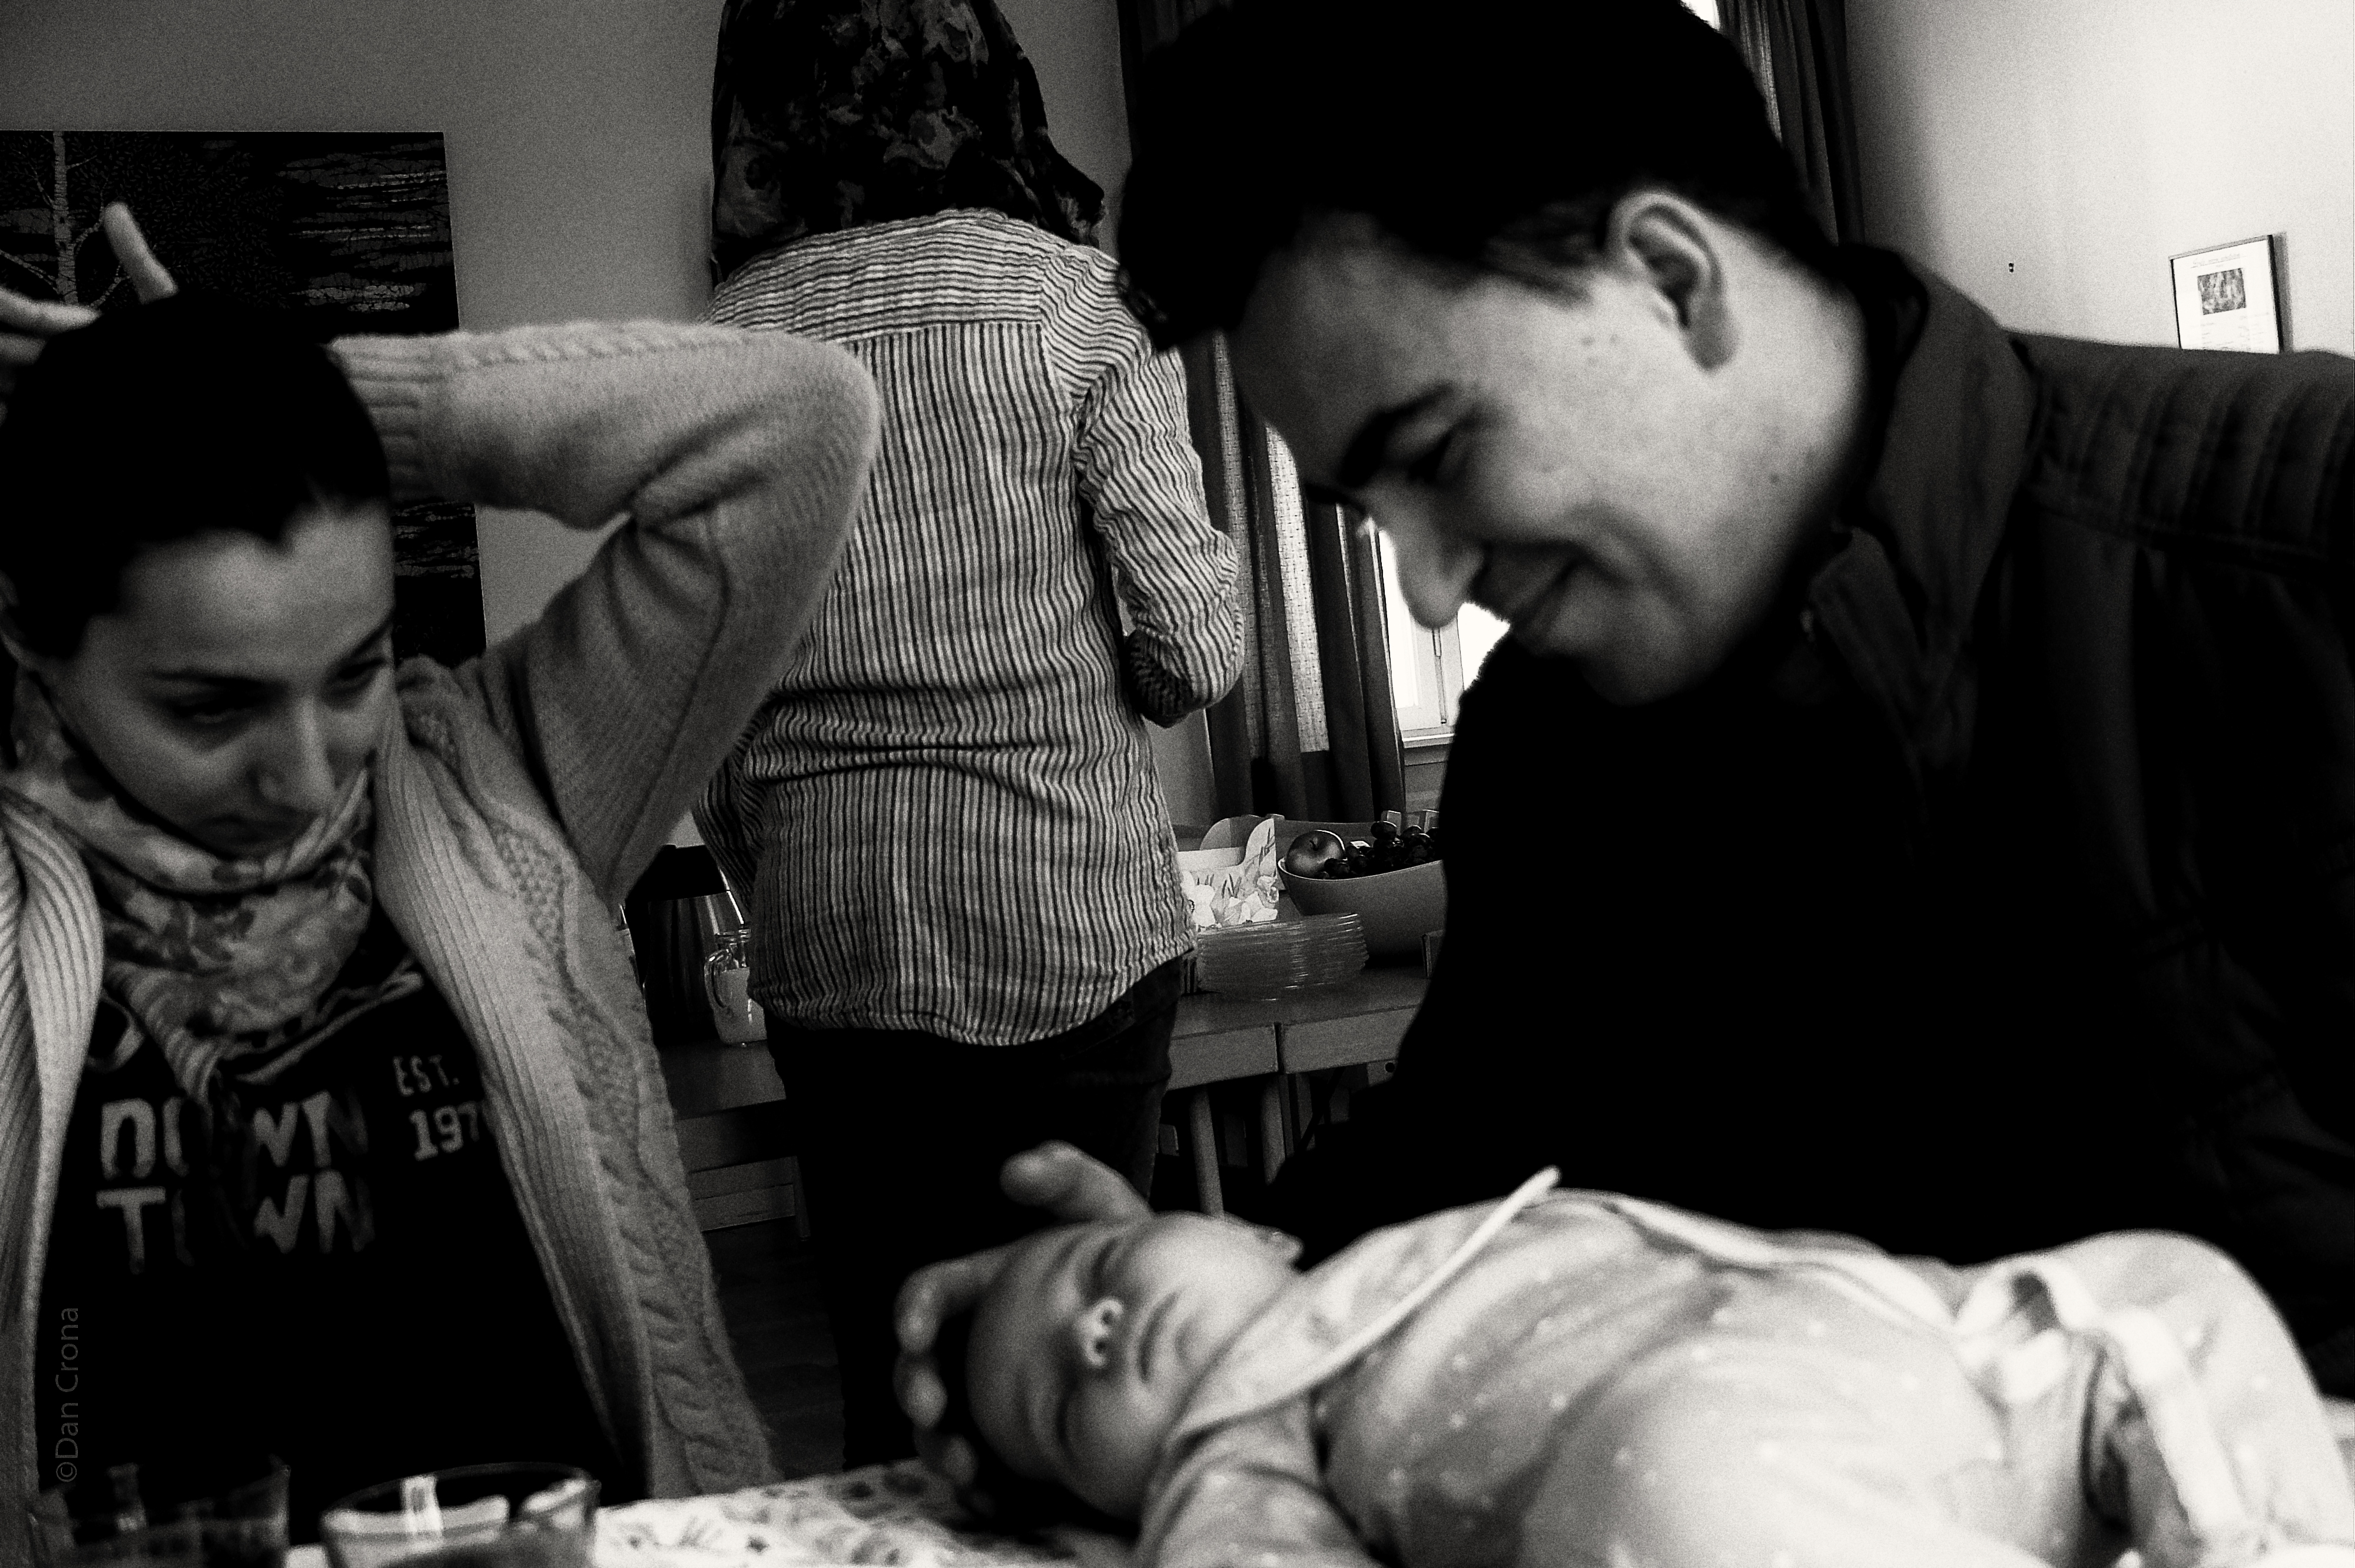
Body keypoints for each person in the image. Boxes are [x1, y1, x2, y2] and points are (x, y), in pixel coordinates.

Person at [894, 0, 2355, 1478]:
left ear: (1671, 277)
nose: (1426, 588)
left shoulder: (2302, 556)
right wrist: (1180, 1291)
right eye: (1365, 511)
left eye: (1439, 454)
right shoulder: (1544, 747)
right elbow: (1473, 1163)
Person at [0, 208, 879, 1546]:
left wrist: (290, 399)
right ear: (30, 634)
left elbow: (795, 425)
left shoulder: (500, 779)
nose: (309, 773)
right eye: (209, 709)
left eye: (351, 673)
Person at [694, 0, 1241, 1467]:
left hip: (832, 933)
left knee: (898, 1385)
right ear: (986, 85)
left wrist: (773, 860)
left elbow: (702, 699)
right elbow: (1195, 651)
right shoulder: (1071, 305)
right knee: (1084, 1379)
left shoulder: (718, 349)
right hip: (1067, 921)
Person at [959, 1171, 2355, 1567]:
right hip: (1704, 1468)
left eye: (1099, 1269)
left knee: (2167, 1285)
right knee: (1675, 1473)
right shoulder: (1245, 1443)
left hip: (1941, 1353)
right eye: (1060, 1407)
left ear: (1247, 1230)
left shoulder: (1389, 1239)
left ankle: (2269, 1543)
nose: (1093, 1335)